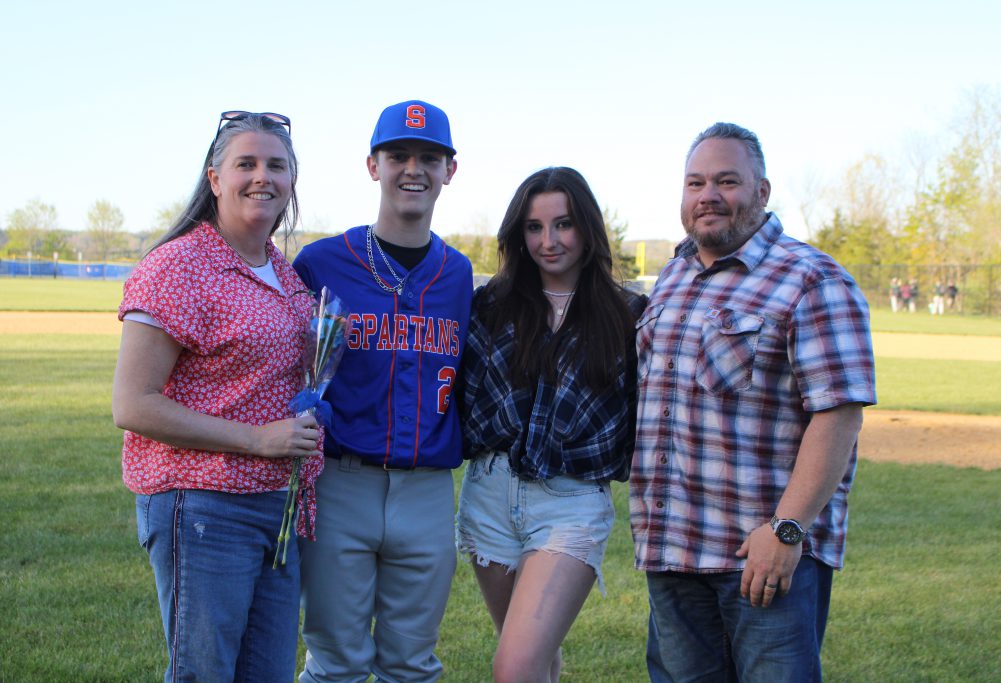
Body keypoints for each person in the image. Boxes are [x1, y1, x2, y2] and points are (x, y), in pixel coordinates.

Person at [630, 122, 876, 682]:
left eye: (726, 181)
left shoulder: (811, 279)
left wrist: (786, 531)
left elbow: (838, 415)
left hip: (759, 560)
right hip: (672, 552)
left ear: (762, 192)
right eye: (695, 183)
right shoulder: (672, 278)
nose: (708, 196)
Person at [112, 111, 322, 682]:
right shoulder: (180, 265)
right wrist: (258, 438)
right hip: (205, 505)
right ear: (213, 178)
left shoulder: (283, 271)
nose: (263, 177)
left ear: (292, 180)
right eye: (246, 163)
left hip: (276, 506)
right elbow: (133, 403)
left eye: (277, 165)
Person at [293, 100, 472, 682]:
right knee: (336, 663)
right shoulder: (321, 263)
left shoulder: (459, 274)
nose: (412, 169)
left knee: (412, 666)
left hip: (426, 493)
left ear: (450, 169)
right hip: (342, 482)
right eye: (398, 155)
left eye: (429, 157)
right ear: (373, 165)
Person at [456, 167, 645, 682]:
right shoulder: (489, 305)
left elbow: (637, 417)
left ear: (586, 227)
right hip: (489, 498)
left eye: (562, 224)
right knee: (533, 659)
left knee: (514, 667)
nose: (548, 241)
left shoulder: (628, 315)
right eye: (534, 228)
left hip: (570, 504)